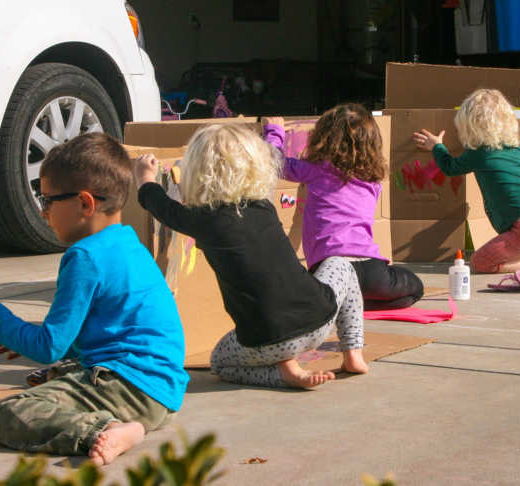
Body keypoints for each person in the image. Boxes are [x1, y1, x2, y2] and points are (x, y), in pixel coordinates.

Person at [0, 133, 188, 466]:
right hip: (161, 391)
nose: (42, 212)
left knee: (11, 413)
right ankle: (128, 422)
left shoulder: (84, 256)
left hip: (127, 387)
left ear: (84, 203)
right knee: (60, 371)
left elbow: (47, 347)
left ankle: (105, 429)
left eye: (48, 200)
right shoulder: (127, 243)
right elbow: (97, 329)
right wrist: (16, 332)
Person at [135, 124, 368, 389]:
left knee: (219, 362)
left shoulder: (203, 221)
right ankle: (353, 354)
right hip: (320, 319)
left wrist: (146, 181)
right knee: (341, 265)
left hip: (264, 341)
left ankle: (282, 373)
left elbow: (162, 208)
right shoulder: (264, 207)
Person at [263, 104, 424, 310]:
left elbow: (272, 163)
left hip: (328, 271)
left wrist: (274, 132)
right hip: (372, 272)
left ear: (322, 139)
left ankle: (345, 302)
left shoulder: (316, 171)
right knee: (416, 288)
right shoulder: (372, 181)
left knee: (321, 298)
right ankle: (357, 302)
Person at [413, 88, 520, 274]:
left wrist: (437, 146)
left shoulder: (478, 153)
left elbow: (449, 167)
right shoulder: (518, 150)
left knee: (480, 262)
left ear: (467, 126)